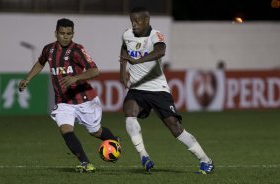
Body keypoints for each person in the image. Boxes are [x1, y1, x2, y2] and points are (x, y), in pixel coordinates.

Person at [119, 7, 214, 174]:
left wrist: (137, 60)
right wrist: (122, 72)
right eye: (131, 21)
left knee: (175, 127)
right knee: (129, 112)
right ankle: (144, 156)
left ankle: (205, 160)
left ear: (146, 21)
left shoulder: (156, 35)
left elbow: (160, 51)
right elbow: (124, 49)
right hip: (137, 89)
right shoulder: (127, 35)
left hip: (157, 89)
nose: (133, 24)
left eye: (137, 21)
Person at [19, 18, 118, 173]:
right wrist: (27, 79)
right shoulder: (48, 50)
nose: (65, 36)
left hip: (85, 100)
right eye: (62, 33)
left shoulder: (77, 50)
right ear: (56, 33)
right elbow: (40, 62)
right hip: (64, 101)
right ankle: (85, 162)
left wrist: (75, 77)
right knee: (65, 130)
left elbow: (94, 71)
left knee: (95, 131)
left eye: (69, 34)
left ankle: (114, 142)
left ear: (73, 34)